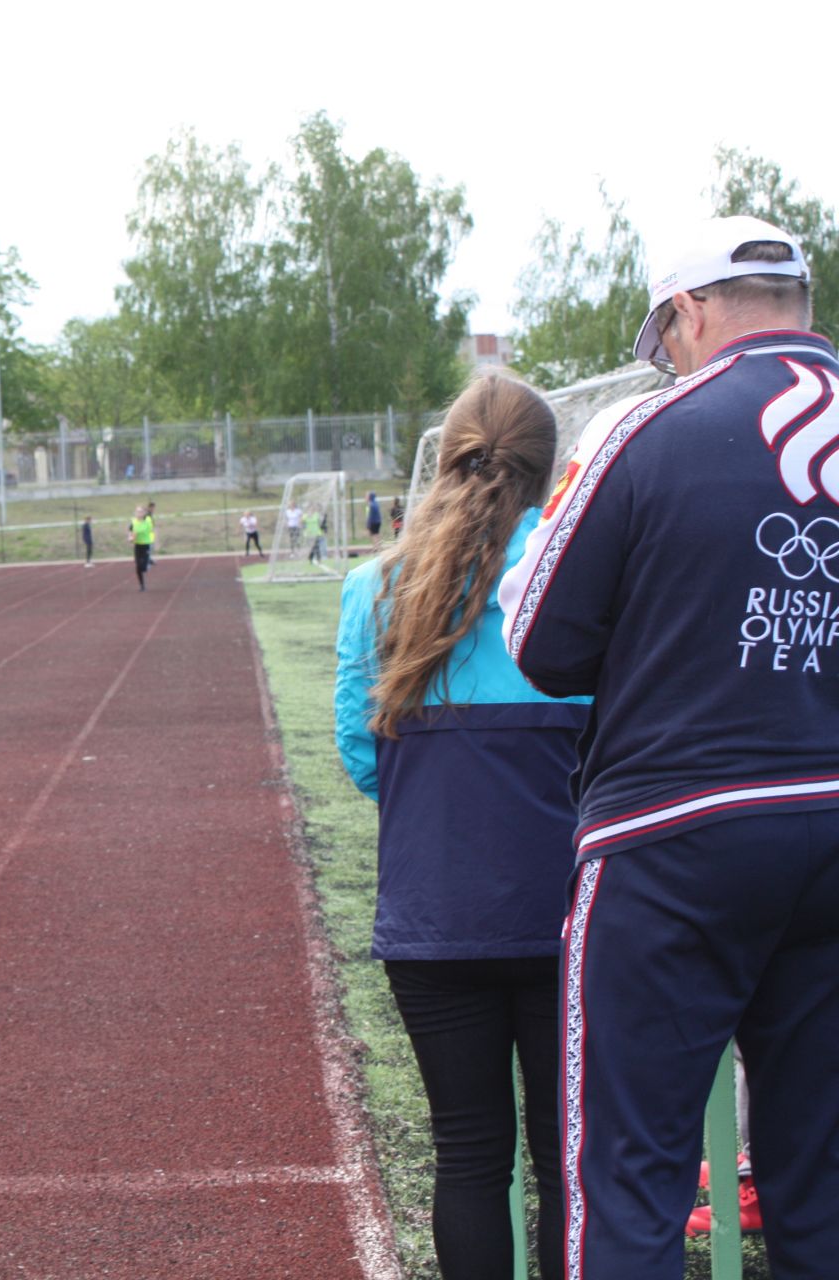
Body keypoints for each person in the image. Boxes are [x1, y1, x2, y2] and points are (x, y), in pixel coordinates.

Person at [497, 215, 839, 1279]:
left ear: (688, 311)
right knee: (823, 1180)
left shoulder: (647, 431)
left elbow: (541, 642)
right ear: (803, 306)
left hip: (674, 832)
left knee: (631, 1176)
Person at [337, 371, 586, 1280]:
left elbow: (362, 758)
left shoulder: (377, 589)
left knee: (470, 1155)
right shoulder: (578, 577)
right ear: (547, 468)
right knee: (570, 1164)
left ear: (446, 461)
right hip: (566, 917)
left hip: (433, 917)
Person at [129, 504, 154, 590]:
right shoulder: (133, 521)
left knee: (143, 568)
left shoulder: (147, 521)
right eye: (137, 511)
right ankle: (142, 585)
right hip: (137, 545)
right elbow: (131, 530)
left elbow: (145, 530)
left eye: (140, 511)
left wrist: (135, 534)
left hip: (146, 545)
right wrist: (130, 537)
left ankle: (148, 563)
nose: (138, 513)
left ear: (144, 513)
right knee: (138, 566)